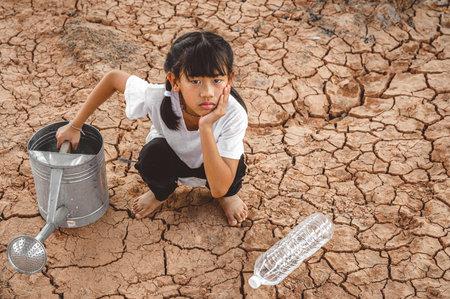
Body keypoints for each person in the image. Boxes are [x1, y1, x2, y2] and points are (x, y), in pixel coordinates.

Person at [55, 31, 248, 226]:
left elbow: (218, 188)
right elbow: (113, 78)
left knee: (229, 178)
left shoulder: (234, 114)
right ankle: (160, 193)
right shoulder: (157, 98)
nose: (207, 93)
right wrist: (74, 125)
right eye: (195, 81)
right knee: (151, 156)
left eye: (217, 81)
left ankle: (229, 196)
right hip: (174, 158)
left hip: (216, 170)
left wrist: (205, 126)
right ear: (175, 81)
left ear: (229, 79)